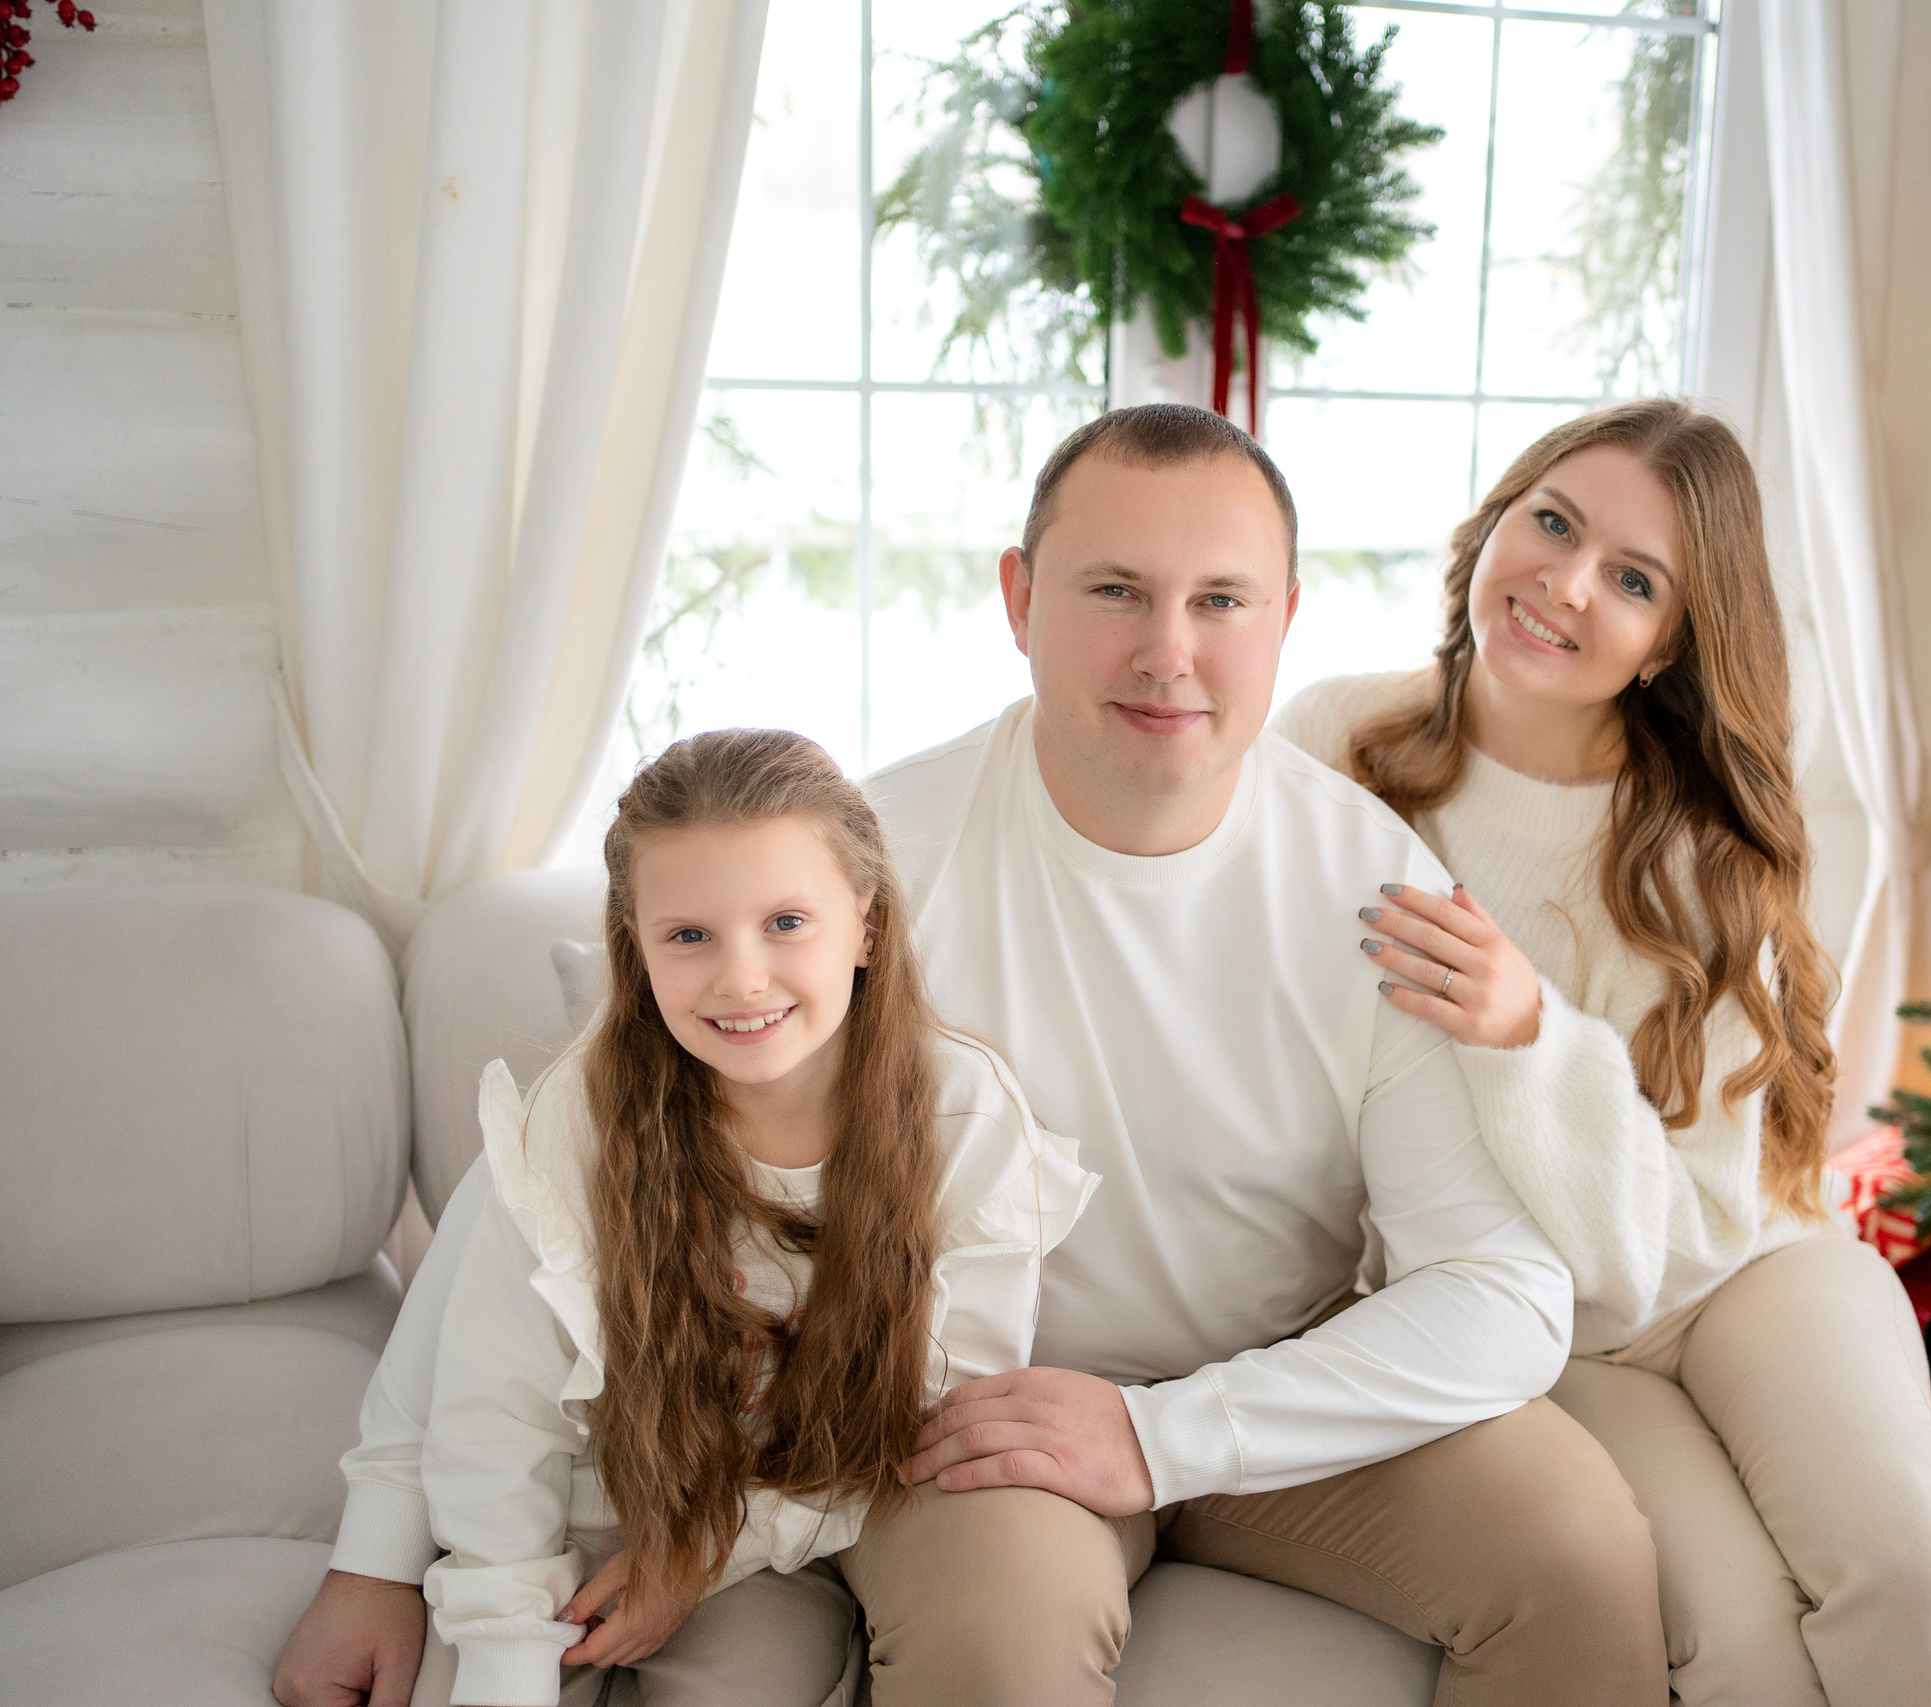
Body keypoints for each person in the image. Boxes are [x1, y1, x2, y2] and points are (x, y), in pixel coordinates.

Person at [275, 403, 1667, 1707]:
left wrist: (1165, 1433)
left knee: (1580, 1559)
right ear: (1019, 600)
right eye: (1113, 590)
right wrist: (377, 1554)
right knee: (1001, 1635)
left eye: (1220, 600)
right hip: (954, 1415)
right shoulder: (870, 869)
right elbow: (547, 1170)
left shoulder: (1376, 890)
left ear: (1285, 619)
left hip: (1281, 1378)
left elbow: (1501, 1291)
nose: (1167, 650)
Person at [1275, 399, 1931, 1707]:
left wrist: (1529, 1034)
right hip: (1545, 1321)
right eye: (1551, 522)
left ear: (1671, 642)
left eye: (1633, 580)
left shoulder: (1697, 851)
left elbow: (1684, 1234)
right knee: (1739, 1643)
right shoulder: (1334, 744)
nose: (1567, 585)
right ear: (1493, 523)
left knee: (1916, 1574)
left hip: (1740, 1265)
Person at [406, 729, 1091, 1707]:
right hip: (565, 1510)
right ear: (635, 947)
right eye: (688, 936)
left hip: (773, 1539)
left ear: (865, 923)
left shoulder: (963, 1117)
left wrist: (698, 1557)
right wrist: (505, 1641)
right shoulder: (581, 1114)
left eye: (785, 922)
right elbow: (496, 1405)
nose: (742, 979)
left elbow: (930, 1420)